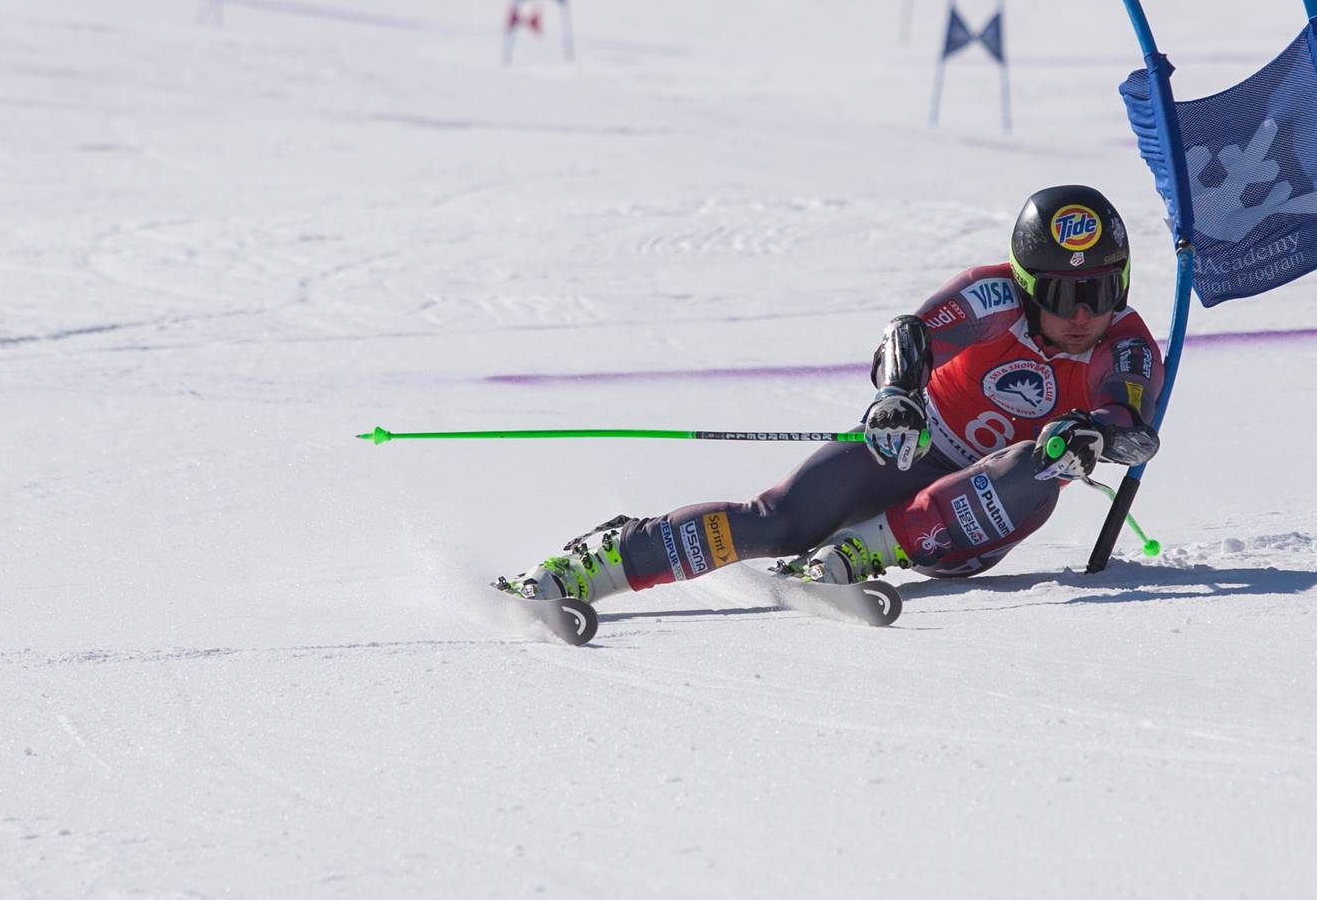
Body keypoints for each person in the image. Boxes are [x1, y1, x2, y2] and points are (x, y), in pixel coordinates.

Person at [498, 185, 1164, 602]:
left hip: (976, 525)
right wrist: (896, 396)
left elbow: (1132, 426)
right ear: (1024, 284)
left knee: (1041, 457)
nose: (1081, 313)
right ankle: (601, 565)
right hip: (912, 453)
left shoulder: (1126, 346)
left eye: (1099, 291)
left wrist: (1096, 435)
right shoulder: (992, 297)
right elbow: (910, 335)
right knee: (777, 520)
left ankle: (868, 550)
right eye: (1060, 293)